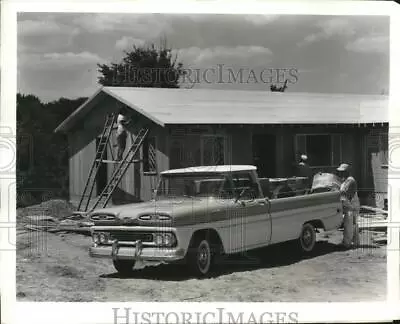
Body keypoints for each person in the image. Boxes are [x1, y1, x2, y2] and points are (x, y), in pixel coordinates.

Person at [337, 163, 360, 249]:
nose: (341, 173)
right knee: (354, 225)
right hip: (351, 204)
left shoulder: (350, 181)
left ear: (347, 172)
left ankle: (346, 244)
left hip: (351, 205)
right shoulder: (345, 180)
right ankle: (356, 242)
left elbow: (345, 194)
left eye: (342, 172)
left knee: (348, 225)